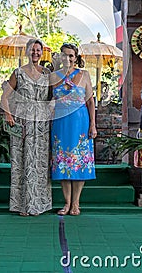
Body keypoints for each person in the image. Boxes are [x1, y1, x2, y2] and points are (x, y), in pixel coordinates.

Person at [1, 38, 52, 216]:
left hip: (42, 124)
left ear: (42, 52)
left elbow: (52, 97)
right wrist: (8, 115)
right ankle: (22, 205)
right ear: (27, 51)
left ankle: (38, 204)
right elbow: (4, 97)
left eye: (38, 50)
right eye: (32, 50)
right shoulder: (18, 73)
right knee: (23, 162)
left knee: (39, 161)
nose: (36, 53)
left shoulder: (47, 73)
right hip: (22, 121)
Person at [50, 43, 97, 216]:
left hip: (80, 123)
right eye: (65, 55)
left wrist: (93, 124)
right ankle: (67, 203)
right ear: (60, 57)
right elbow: (48, 100)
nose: (68, 58)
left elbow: (90, 102)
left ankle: (76, 203)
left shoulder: (84, 75)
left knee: (79, 162)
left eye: (71, 55)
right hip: (60, 123)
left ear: (76, 57)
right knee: (63, 163)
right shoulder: (53, 76)